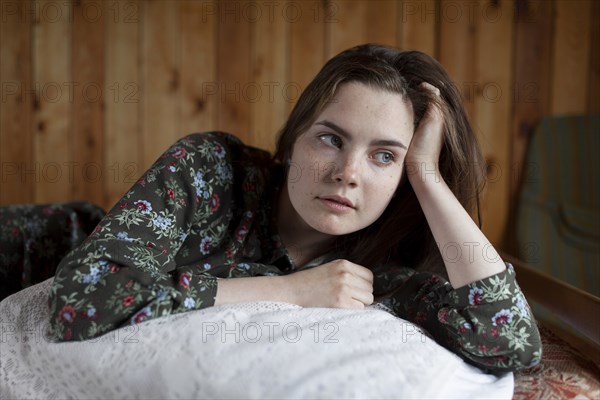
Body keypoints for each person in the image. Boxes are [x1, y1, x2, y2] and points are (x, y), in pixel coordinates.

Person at [48, 44, 541, 372]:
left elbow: (513, 343)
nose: (347, 172)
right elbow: (79, 301)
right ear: (294, 139)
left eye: (384, 156)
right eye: (331, 139)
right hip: (41, 241)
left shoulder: (388, 274)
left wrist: (428, 178)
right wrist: (289, 290)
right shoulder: (209, 169)